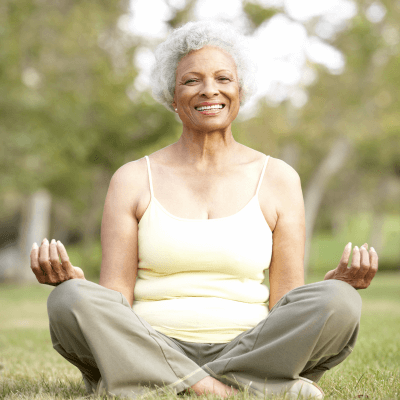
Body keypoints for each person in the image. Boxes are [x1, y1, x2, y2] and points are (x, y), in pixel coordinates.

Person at [30, 21, 378, 399]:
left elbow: (284, 301)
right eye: (191, 80)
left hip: (249, 346)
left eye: (223, 78)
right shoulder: (132, 178)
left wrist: (326, 290)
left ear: (240, 90)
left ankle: (147, 381)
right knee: (69, 299)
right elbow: (118, 297)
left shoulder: (278, 178)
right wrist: (82, 287)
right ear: (172, 96)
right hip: (151, 341)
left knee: (340, 301)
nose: (209, 89)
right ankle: (235, 388)